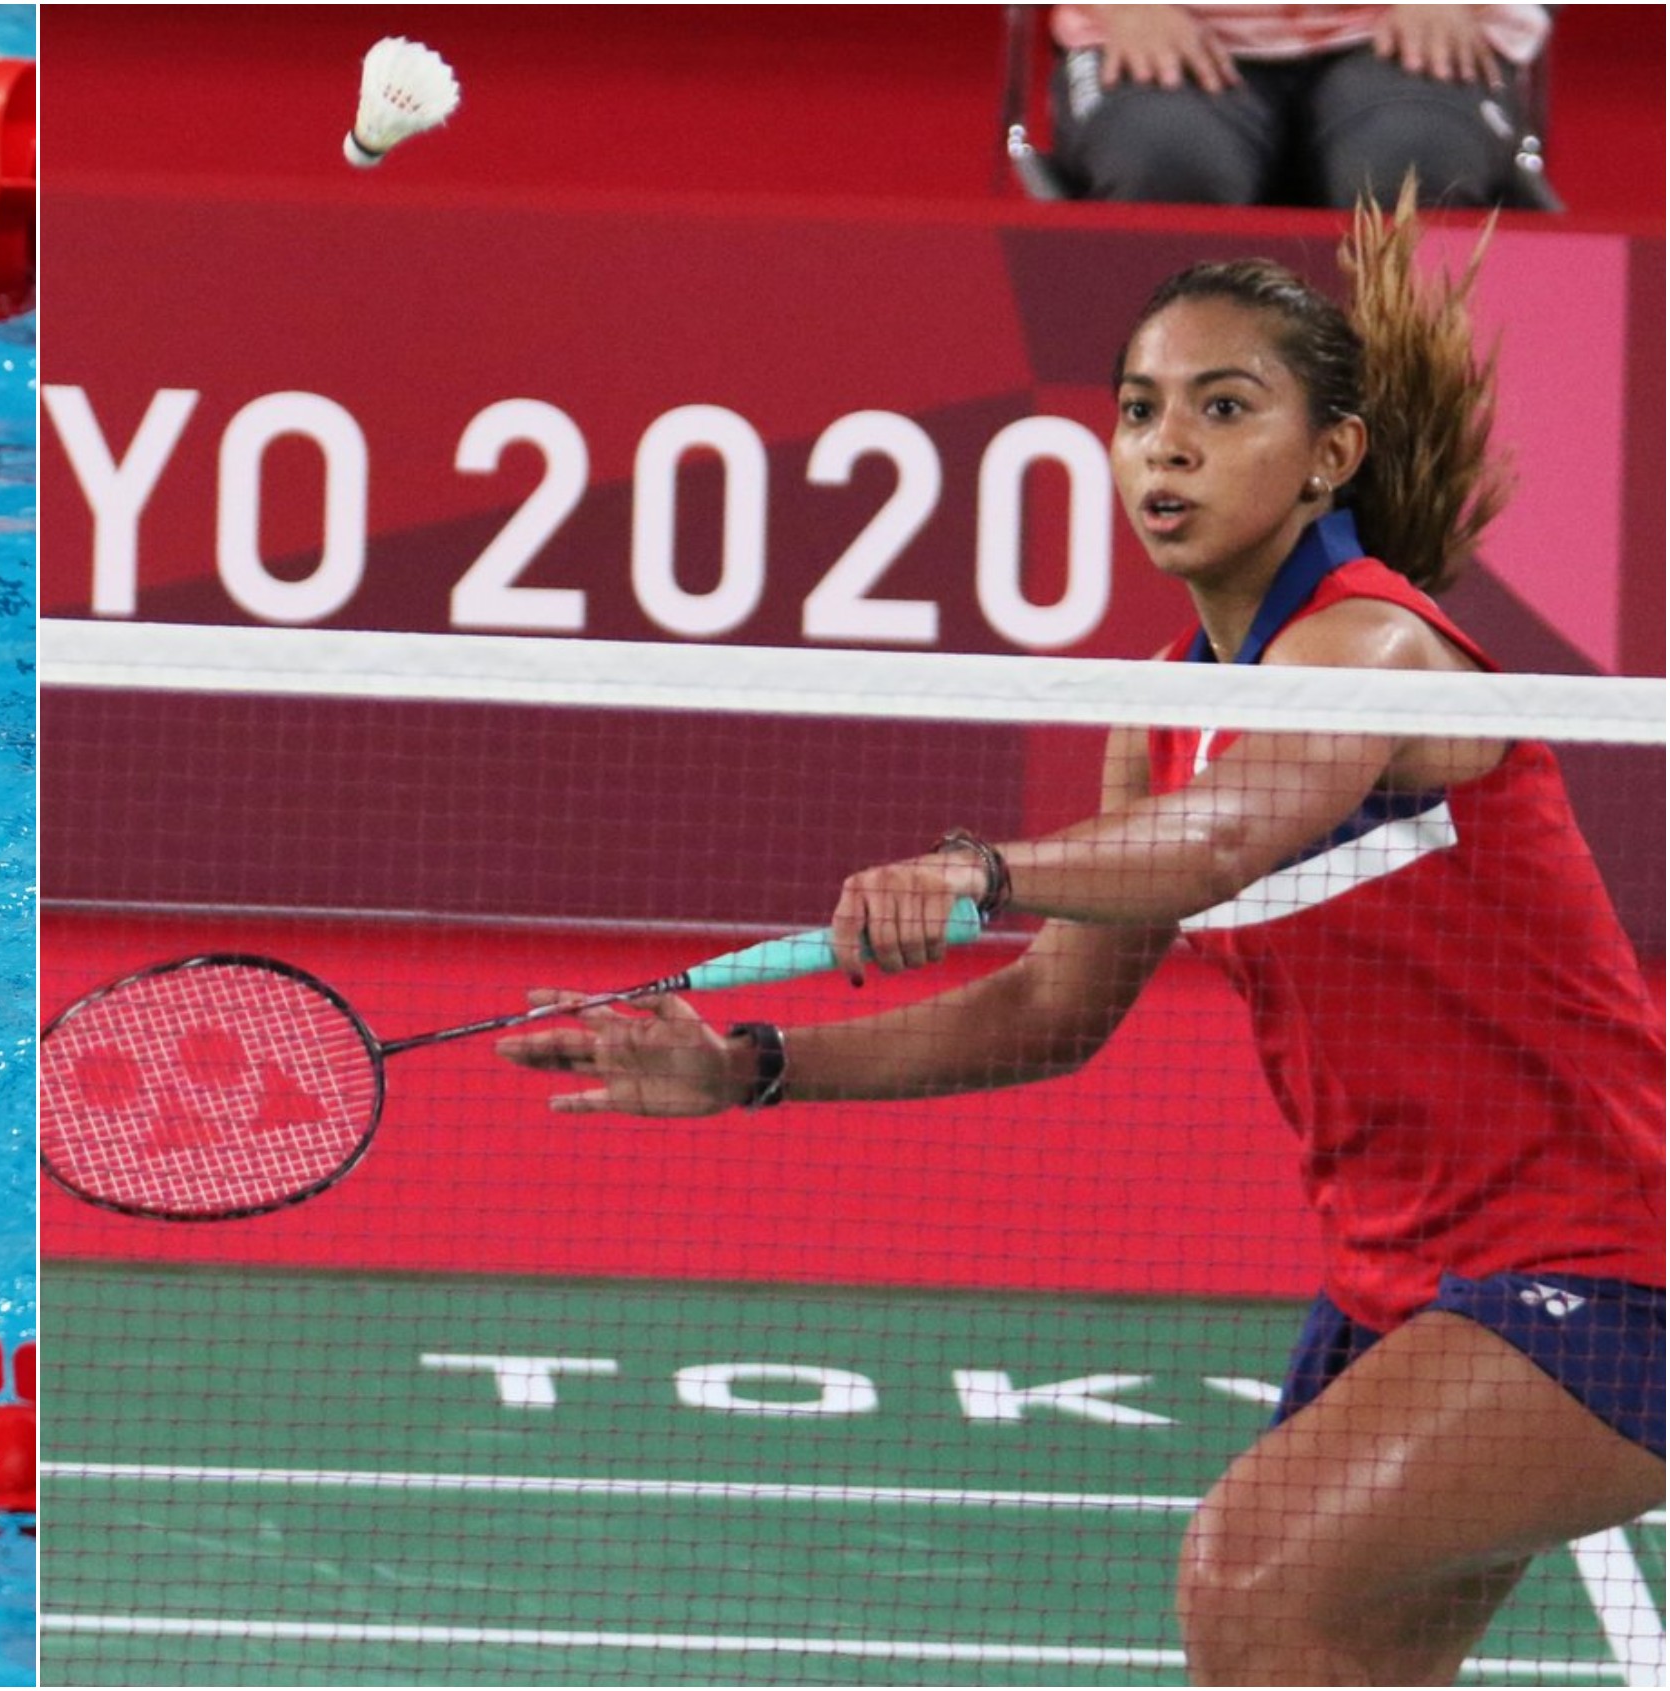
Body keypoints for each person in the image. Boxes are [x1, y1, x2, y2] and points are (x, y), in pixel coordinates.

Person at [498, 188, 1662, 1684]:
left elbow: (1234, 832)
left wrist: (990, 865)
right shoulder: (1162, 714)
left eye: (1222, 408)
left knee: (1249, 1575)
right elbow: (1051, 1013)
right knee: (1303, 1657)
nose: (1163, 446)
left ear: (1330, 458)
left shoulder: (1376, 644)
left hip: (1611, 1269)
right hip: (1396, 1277)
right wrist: (754, 1065)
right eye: (1138, 410)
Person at [1051, 5, 1548, 208]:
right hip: (1158, 24)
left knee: (1414, 167)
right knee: (1166, 159)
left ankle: (1411, 418)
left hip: (1414, 25)